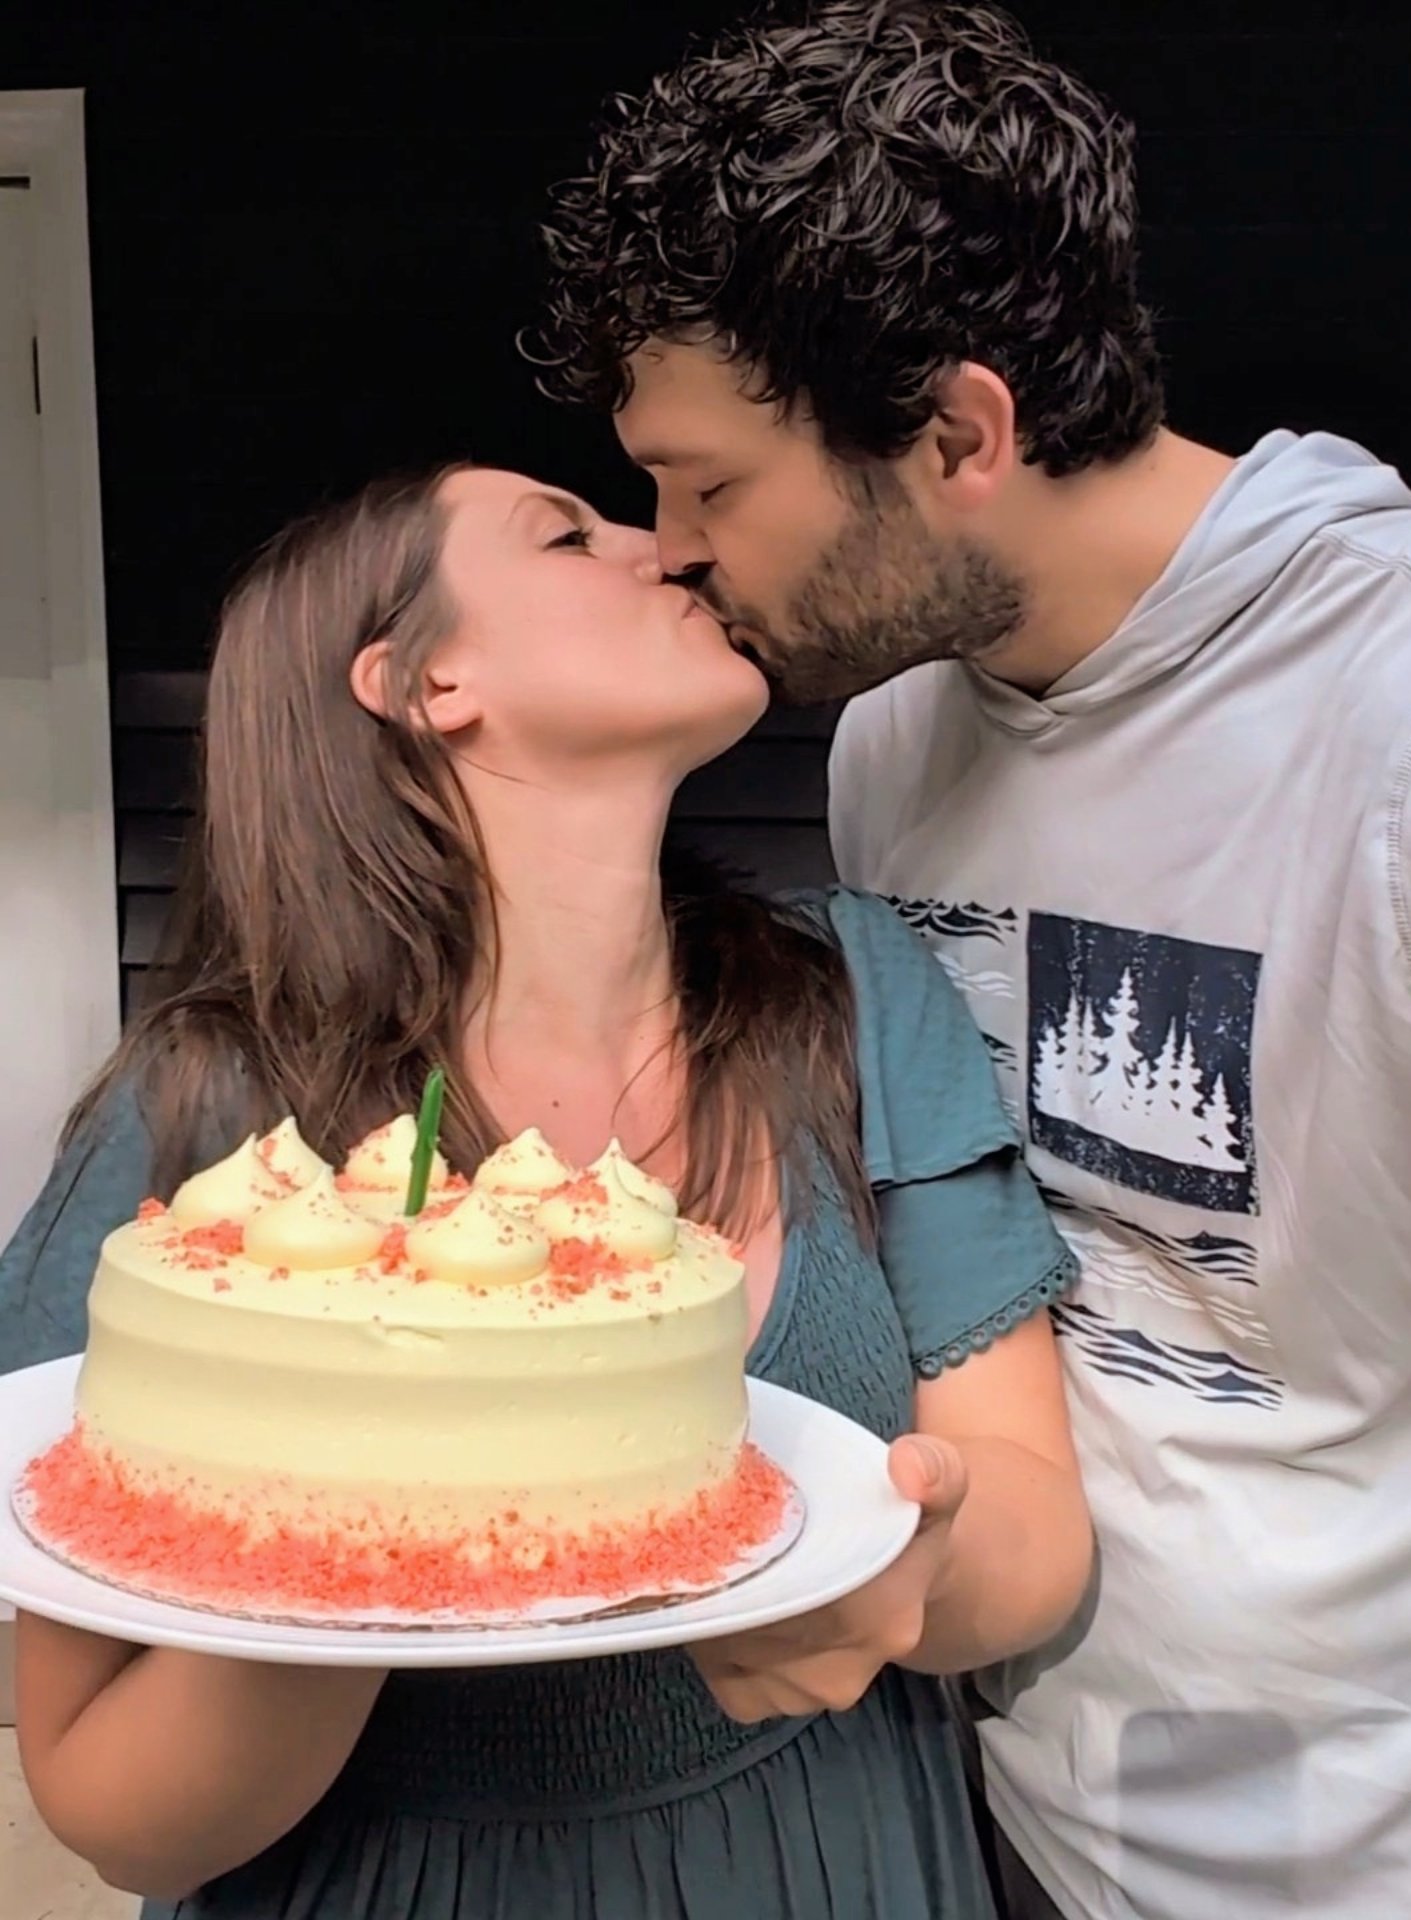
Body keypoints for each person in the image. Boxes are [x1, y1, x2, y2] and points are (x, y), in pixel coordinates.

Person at [528, 2, 1411, 1917]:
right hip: (988, 1807)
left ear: (959, 432)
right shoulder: (896, 738)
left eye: (711, 486)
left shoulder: (1406, 715)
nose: (672, 551)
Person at [1, 462, 1089, 1919]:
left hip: (830, 1856)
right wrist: (381, 1507)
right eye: (569, 534)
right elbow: (119, 1816)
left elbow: (1030, 1532)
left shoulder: (853, 992)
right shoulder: (208, 1117)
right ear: (426, 680)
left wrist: (906, 1567)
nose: (670, 547)